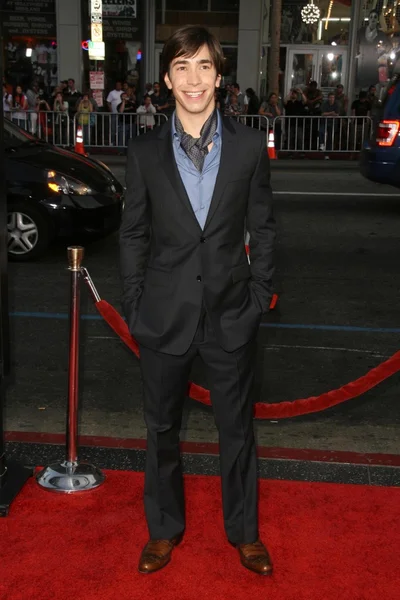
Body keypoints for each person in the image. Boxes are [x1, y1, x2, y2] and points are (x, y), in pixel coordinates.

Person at [120, 25, 275, 577]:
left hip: (232, 311)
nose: (193, 79)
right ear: (167, 77)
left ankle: (245, 533)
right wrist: (135, 304)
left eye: (204, 66)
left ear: (219, 76)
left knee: (237, 431)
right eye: (182, 67)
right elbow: (134, 233)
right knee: (161, 429)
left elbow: (265, 227)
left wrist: (258, 297)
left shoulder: (250, 146)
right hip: (163, 313)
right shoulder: (142, 152)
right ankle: (163, 530)